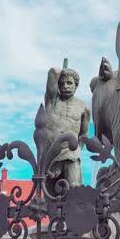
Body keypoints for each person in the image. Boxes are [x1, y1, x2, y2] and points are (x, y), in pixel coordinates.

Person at [44, 59, 90, 188]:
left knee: (74, 189)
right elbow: (53, 72)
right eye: (62, 83)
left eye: (69, 83)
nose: (65, 86)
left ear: (76, 85)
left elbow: (84, 135)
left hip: (71, 154)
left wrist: (76, 151)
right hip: (50, 155)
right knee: (50, 195)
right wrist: (62, 72)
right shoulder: (52, 100)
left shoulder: (84, 107)